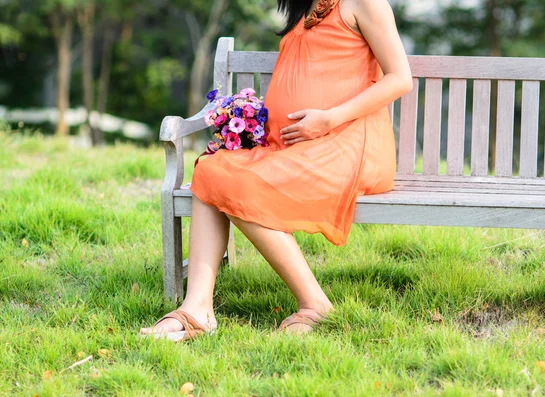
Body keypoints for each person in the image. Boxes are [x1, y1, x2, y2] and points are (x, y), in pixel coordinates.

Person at [140, 0, 413, 341]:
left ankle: (315, 305)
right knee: (212, 170)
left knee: (234, 181)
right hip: (298, 148)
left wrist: (329, 119)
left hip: (349, 144)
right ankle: (198, 309)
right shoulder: (305, 8)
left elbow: (400, 79)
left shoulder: (364, 2)